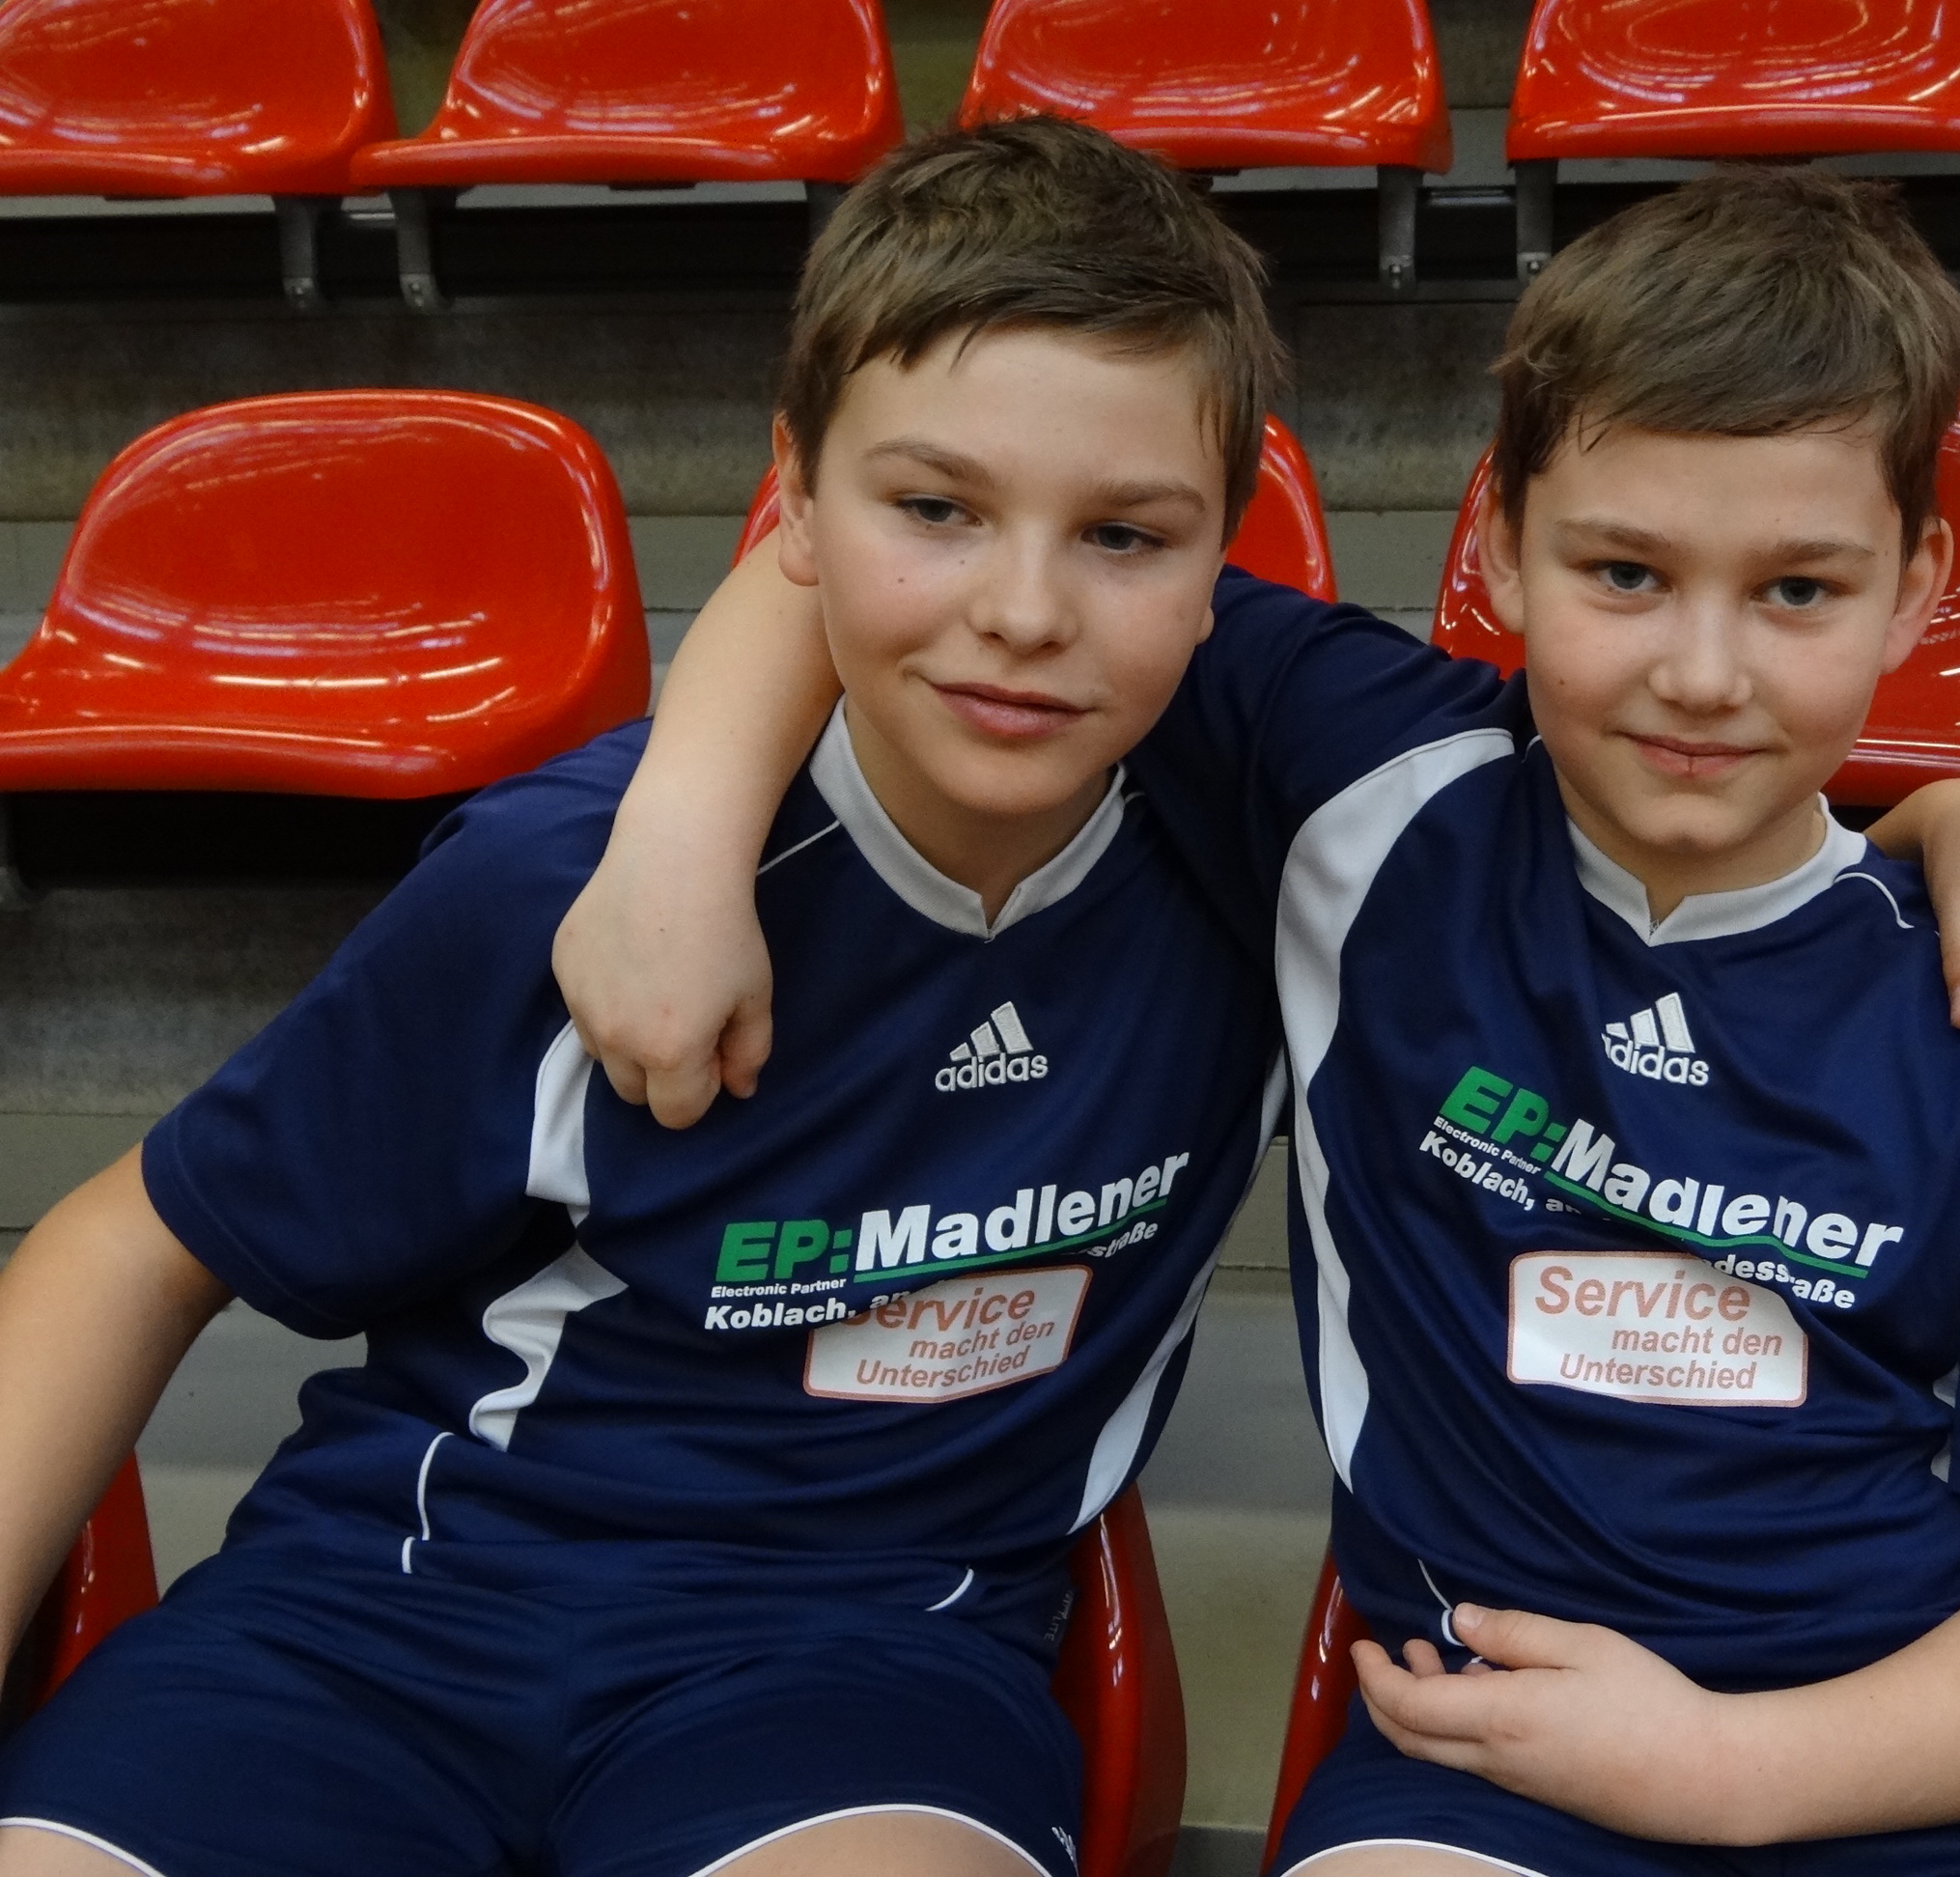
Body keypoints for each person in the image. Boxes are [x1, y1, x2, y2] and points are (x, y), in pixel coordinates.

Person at [549, 166, 1960, 1872]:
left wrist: (1730, 1769)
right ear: (1502, 547)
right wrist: (681, 838)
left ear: (1914, 587)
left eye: (1797, 592)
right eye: (1624, 572)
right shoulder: (1361, 786)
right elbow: (889, 551)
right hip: (1501, 1763)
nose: (1701, 673)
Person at [0, 120, 1302, 1877]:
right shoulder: (563, 878)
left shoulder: (1291, 870)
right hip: (386, 1616)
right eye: (934, 509)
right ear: (796, 499)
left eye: (1126, 535)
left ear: (1225, 555)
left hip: (858, 1663)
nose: (1023, 610)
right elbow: (132, 1245)